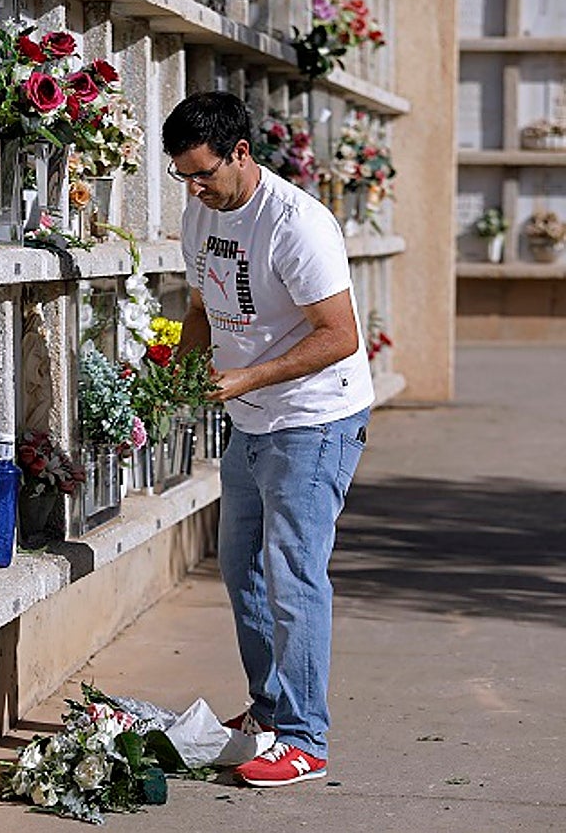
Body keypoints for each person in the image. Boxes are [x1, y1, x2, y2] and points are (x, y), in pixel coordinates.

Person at [161, 91, 374, 787]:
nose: (194, 189)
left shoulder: (296, 224)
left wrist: (248, 377)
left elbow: (340, 336)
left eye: (204, 174)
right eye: (183, 177)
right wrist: (182, 373)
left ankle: (306, 741)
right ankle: (270, 711)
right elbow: (201, 307)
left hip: (315, 419)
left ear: (241, 153)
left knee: (292, 573)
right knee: (239, 567)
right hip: (250, 418)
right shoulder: (200, 214)